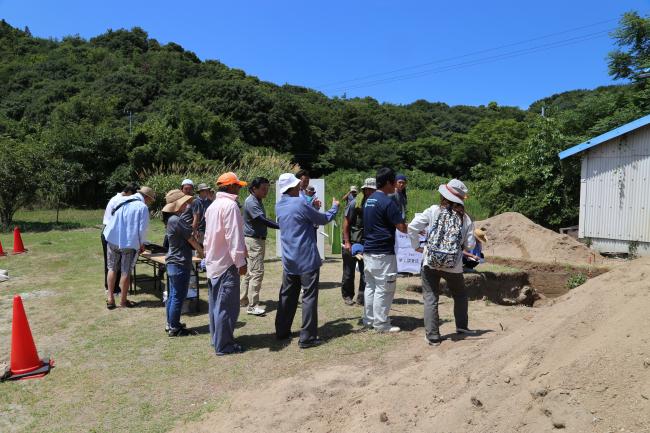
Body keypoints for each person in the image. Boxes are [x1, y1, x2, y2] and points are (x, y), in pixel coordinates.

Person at [407, 179, 476, 346]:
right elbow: (470, 245)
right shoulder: (465, 218)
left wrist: (417, 246)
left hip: (430, 262)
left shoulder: (433, 211)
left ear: (443, 195)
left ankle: (433, 336)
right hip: (454, 265)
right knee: (459, 295)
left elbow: (412, 228)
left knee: (431, 297)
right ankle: (462, 327)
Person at [275, 173, 339, 348]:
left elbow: (302, 220)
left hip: (289, 258)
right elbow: (323, 219)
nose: (301, 187)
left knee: (288, 295)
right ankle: (307, 337)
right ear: (294, 187)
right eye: (299, 186)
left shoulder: (279, 205)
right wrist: (334, 207)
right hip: (306, 258)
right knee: (309, 297)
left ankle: (282, 330)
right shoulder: (300, 202)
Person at [204, 172, 248, 355]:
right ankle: (224, 345)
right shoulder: (230, 206)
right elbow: (234, 236)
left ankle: (218, 340)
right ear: (230, 187)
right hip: (226, 263)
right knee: (227, 307)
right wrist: (241, 261)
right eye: (237, 185)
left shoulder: (213, 206)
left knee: (216, 306)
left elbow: (207, 237)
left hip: (214, 262)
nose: (239, 188)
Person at [362, 168, 407, 333]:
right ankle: (381, 324)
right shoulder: (388, 202)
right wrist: (417, 229)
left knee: (371, 286)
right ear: (388, 182)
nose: (396, 185)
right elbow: (401, 227)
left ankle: (369, 319)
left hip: (369, 251)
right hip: (383, 252)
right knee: (384, 288)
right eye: (394, 181)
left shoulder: (369, 199)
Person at [103, 186, 155, 309]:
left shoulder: (122, 199)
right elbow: (142, 229)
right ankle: (123, 301)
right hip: (129, 243)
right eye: (150, 200)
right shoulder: (142, 207)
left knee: (112, 268)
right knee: (126, 271)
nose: (149, 202)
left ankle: (110, 298)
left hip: (112, 238)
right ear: (146, 197)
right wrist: (142, 244)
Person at [162, 189, 204, 336]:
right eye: (184, 203)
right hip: (179, 262)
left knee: (173, 295)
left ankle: (171, 323)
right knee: (178, 296)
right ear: (177, 205)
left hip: (174, 262)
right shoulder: (176, 220)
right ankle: (174, 327)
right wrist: (201, 252)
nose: (187, 205)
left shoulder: (172, 219)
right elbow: (191, 239)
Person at [241, 177, 279, 316]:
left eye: (267, 188)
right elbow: (261, 219)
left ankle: (243, 299)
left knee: (250, 272)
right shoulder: (251, 202)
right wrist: (280, 226)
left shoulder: (256, 200)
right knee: (257, 272)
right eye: (263, 189)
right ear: (254, 188)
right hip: (254, 241)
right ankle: (252, 306)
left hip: (255, 240)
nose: (266, 191)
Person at [341, 178, 376, 306]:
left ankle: (362, 297)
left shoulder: (375, 204)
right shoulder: (355, 203)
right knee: (349, 272)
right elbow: (345, 223)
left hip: (367, 243)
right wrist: (347, 242)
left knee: (365, 273)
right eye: (368, 189)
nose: (370, 191)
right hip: (351, 241)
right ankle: (347, 296)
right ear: (364, 190)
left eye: (373, 189)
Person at [101, 182, 139, 294]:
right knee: (113, 263)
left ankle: (112, 288)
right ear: (129, 192)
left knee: (113, 263)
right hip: (111, 232)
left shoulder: (118, 198)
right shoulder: (119, 200)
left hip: (112, 231)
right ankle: (112, 288)